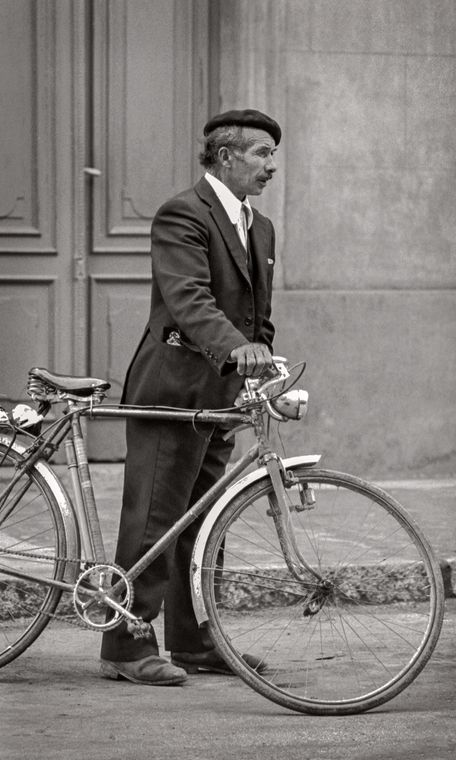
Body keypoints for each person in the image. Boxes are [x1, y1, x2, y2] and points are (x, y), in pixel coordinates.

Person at [100, 108, 281, 685]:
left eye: (272, 155)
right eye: (260, 154)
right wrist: (238, 348)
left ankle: (192, 638)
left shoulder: (262, 226)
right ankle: (124, 644)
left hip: (220, 397)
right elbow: (188, 298)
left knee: (204, 524)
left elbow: (258, 316)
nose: (270, 166)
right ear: (225, 156)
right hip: (172, 390)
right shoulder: (184, 213)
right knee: (155, 520)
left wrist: (259, 366)